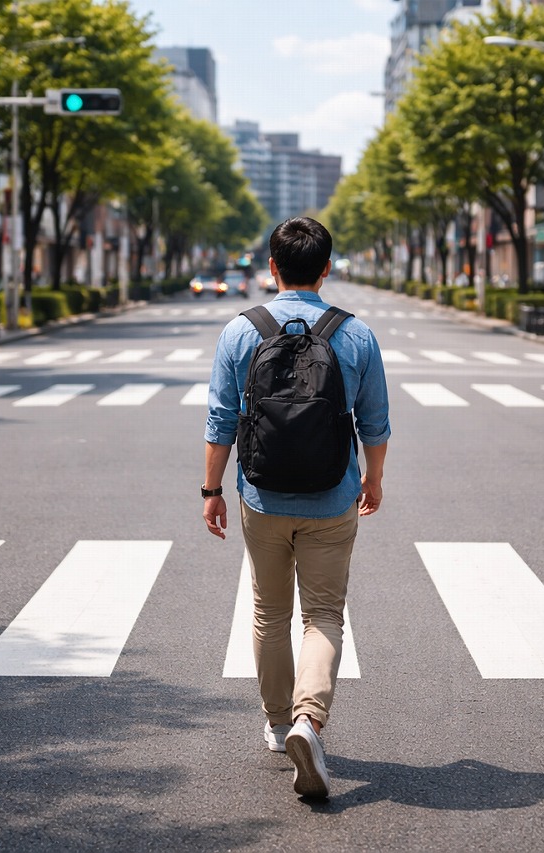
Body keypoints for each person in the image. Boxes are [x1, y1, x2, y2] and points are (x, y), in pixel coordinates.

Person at [202, 217, 391, 800]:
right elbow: (376, 424)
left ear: (272, 266)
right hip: (332, 494)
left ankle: (281, 722)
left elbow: (220, 423)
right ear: (327, 268)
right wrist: (373, 480)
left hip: (262, 494)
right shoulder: (355, 335)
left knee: (268, 614)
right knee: (325, 615)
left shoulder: (241, 331)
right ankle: (311, 719)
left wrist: (211, 492)